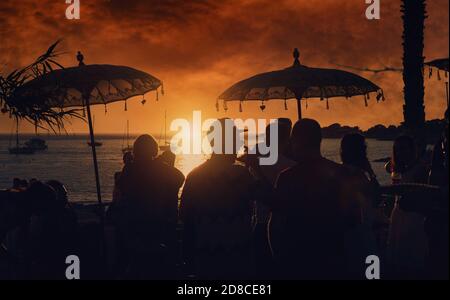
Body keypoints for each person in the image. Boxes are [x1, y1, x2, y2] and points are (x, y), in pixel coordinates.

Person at [269, 119, 364, 279]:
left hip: (296, 259)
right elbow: (355, 220)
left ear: (295, 142)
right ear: (319, 140)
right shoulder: (342, 174)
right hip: (334, 257)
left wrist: (277, 257)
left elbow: (276, 223)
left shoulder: (286, 178)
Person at [180, 119, 255, 280]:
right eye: (237, 139)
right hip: (238, 255)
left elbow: (184, 215)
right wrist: (255, 167)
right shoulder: (243, 176)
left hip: (205, 254)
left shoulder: (195, 176)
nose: (240, 143)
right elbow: (271, 200)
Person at [116, 134, 184, 279]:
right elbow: (180, 177)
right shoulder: (160, 168)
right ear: (153, 150)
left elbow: (123, 189)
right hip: (158, 225)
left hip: (135, 225)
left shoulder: (129, 170)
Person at [244, 118, 295, 279]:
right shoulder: (293, 165)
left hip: (261, 222)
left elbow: (252, 192)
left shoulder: (256, 161)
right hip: (288, 223)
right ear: (287, 139)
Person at [387, 135, 429, 279]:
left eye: (404, 148)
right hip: (398, 215)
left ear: (412, 149)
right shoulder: (399, 169)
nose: (400, 152)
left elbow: (422, 194)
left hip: (414, 218)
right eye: (397, 149)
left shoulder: (421, 168)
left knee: (412, 261)